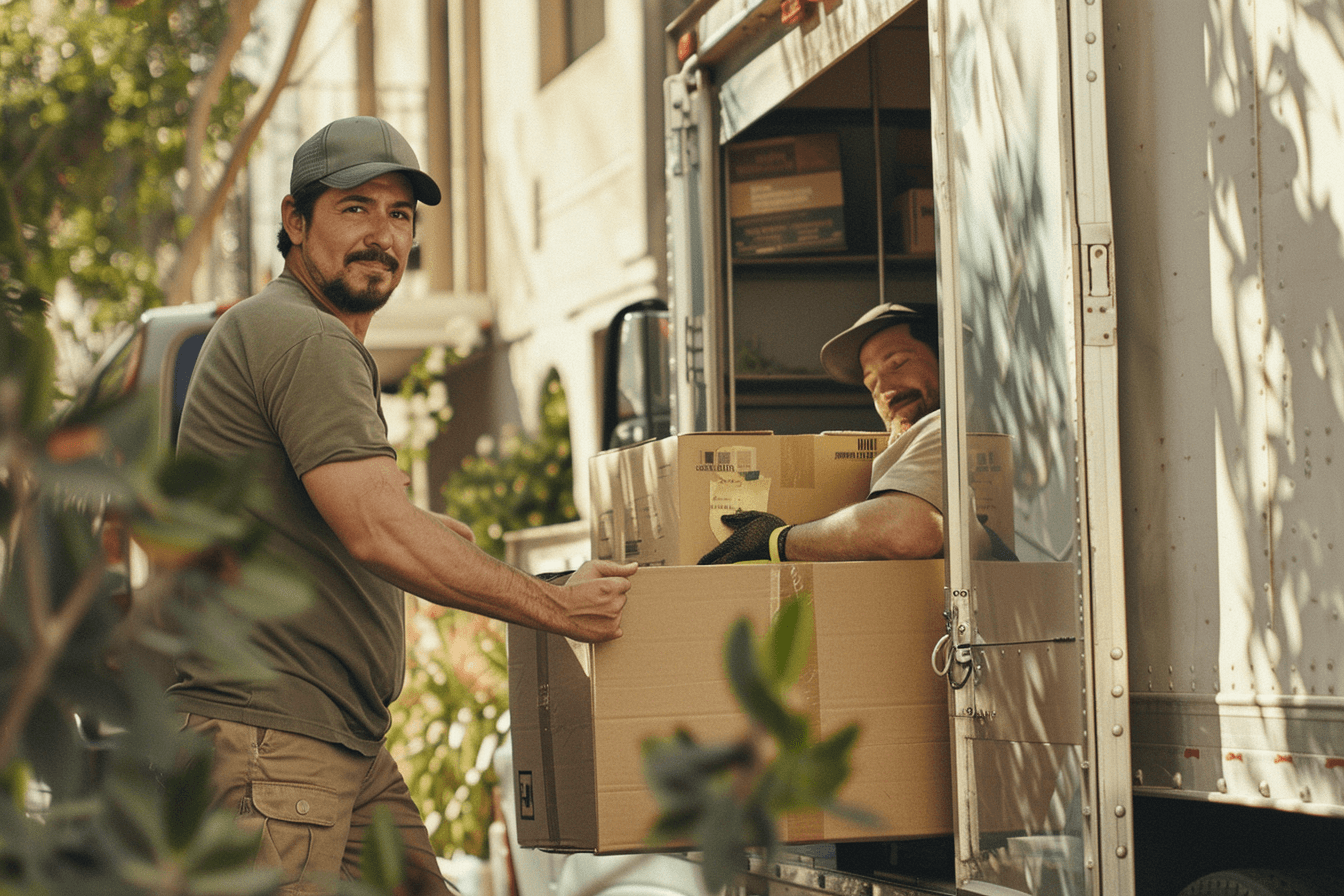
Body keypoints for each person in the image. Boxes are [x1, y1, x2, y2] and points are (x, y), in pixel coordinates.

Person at [171, 116, 636, 895]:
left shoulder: (293, 334)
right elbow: (377, 530)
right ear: (294, 221)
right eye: (355, 208)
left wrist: (418, 529)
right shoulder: (306, 338)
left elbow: (348, 517)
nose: (381, 234)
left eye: (399, 214)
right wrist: (562, 607)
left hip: (333, 740)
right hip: (274, 742)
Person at [699, 303, 1011, 564]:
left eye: (898, 363)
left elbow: (906, 530)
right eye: (870, 383)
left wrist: (778, 541)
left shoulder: (947, 425)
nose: (884, 391)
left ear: (948, 359)